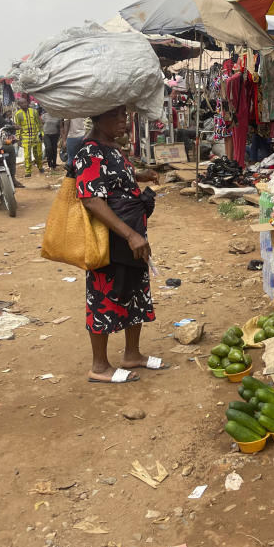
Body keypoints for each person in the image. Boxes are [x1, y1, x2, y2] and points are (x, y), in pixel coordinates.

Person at [74, 105, 163, 383]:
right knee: (104, 296)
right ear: (98, 118)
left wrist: (140, 176)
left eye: (124, 116)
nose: (124, 121)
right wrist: (129, 235)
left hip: (132, 231)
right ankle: (99, 366)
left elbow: (113, 177)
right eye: (116, 116)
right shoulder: (89, 151)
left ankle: (132, 355)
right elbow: (91, 198)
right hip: (112, 236)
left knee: (134, 291)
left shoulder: (111, 147)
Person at [13, 93, 44, 177]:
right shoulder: (17, 114)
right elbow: (17, 127)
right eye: (22, 103)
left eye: (25, 102)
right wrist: (18, 139)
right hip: (25, 137)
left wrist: (42, 133)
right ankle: (28, 171)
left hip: (35, 136)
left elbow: (39, 123)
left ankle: (40, 166)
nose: (24, 104)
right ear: (19, 105)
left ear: (27, 103)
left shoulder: (34, 111)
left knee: (38, 153)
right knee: (27, 155)